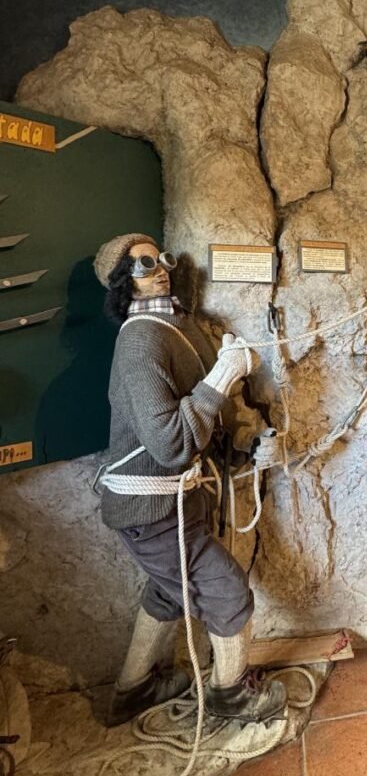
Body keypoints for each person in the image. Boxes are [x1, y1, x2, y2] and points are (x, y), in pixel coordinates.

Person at [93, 233, 286, 727]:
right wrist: (223, 374)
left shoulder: (177, 324)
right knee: (226, 592)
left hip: (180, 502)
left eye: (159, 259)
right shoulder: (140, 341)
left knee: (168, 589)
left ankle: (132, 691)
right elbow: (171, 442)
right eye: (141, 266)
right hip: (152, 508)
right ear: (122, 283)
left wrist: (247, 442)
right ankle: (231, 696)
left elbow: (207, 419)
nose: (158, 268)